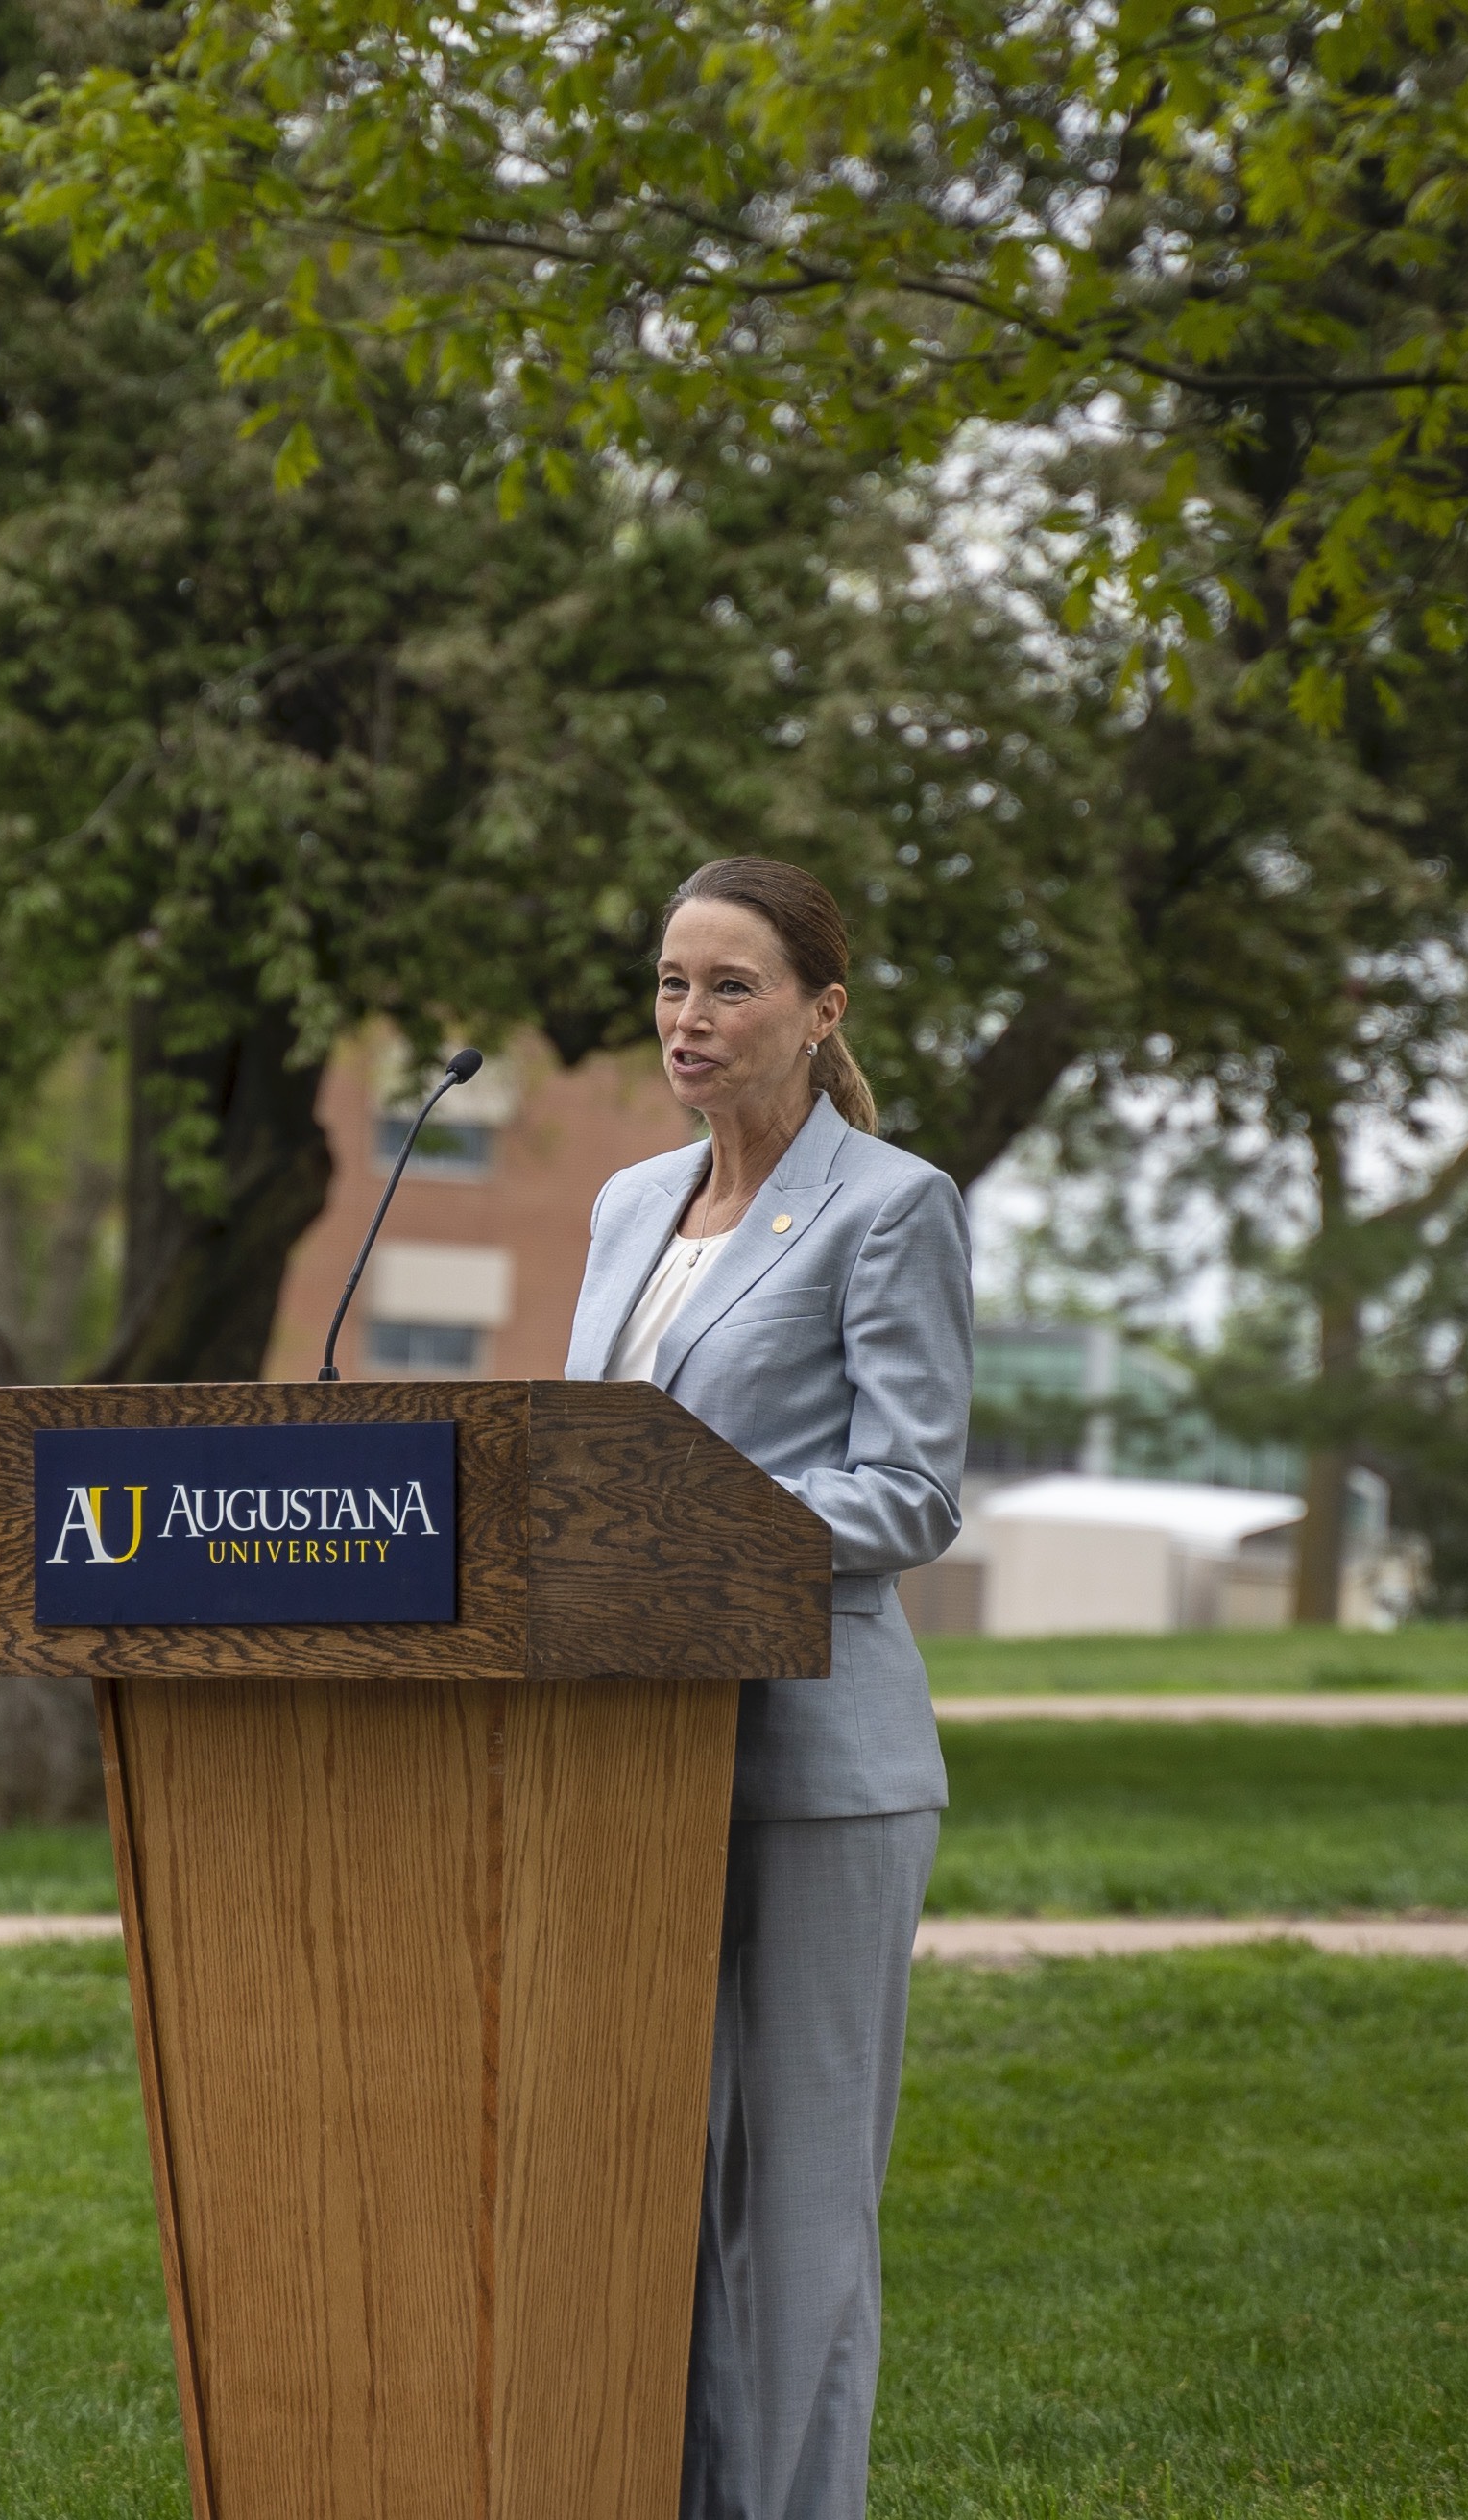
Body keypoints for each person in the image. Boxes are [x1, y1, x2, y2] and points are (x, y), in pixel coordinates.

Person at [562, 859, 968, 2520]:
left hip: (818, 1765)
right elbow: (579, 1457)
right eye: (670, 982)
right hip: (629, 1759)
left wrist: (698, 1533)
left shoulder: (889, 1202)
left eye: (731, 985)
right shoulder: (621, 1204)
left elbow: (916, 1487)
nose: (690, 1017)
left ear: (820, 1010)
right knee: (659, 2185)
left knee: (796, 2212)